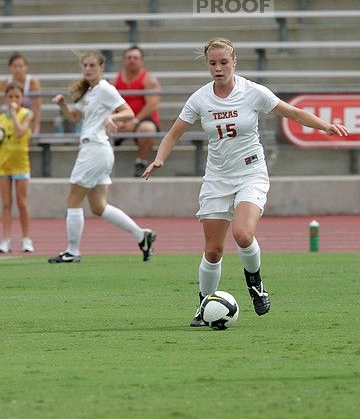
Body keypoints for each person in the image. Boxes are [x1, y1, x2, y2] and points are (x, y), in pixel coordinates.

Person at [142, 37, 348, 326]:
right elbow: (174, 132)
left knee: (242, 234)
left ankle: (256, 286)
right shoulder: (200, 98)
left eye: (224, 62)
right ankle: (204, 306)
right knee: (213, 251)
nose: (218, 68)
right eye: (213, 63)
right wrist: (160, 158)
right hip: (217, 178)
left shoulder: (252, 92)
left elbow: (292, 112)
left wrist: (324, 126)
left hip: (251, 174)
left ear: (234, 62)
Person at [48, 50, 156, 264]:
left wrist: (111, 117)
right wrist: (62, 105)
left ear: (101, 67)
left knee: (73, 199)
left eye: (92, 65)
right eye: (85, 66)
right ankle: (141, 235)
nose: (88, 69)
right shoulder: (89, 92)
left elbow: (128, 113)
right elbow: (75, 116)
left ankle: (73, 251)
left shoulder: (106, 88)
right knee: (98, 206)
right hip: (98, 150)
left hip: (94, 149)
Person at [113, 45, 161, 177]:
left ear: (142, 61)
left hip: (142, 120)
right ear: (124, 60)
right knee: (101, 127)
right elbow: (109, 104)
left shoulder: (149, 79)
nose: (132, 60)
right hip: (121, 120)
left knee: (147, 129)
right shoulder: (115, 80)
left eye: (135, 58)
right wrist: (115, 119)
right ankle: (101, 164)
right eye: (129, 58)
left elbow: (152, 105)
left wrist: (134, 121)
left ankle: (141, 161)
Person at [0, 82, 34, 254]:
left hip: (21, 165)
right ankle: (5, 239)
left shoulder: (26, 114)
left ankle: (26, 239)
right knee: (6, 204)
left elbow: (20, 132)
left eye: (17, 97)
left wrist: (13, 114)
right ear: (6, 98)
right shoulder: (1, 118)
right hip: (4, 166)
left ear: (22, 98)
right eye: (10, 96)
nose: (13, 100)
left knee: (22, 202)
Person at [0, 52, 42, 134]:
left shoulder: (32, 82)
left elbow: (37, 109)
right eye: (15, 66)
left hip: (27, 121)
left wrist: (35, 130)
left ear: (26, 67)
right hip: (8, 121)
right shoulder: (4, 83)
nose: (18, 69)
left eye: (21, 66)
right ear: (10, 67)